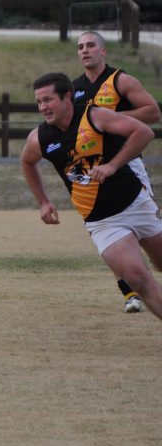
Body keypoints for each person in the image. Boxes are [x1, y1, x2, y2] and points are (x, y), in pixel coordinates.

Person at [20, 72, 162, 320]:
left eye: (47, 100)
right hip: (102, 221)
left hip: (136, 204)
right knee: (138, 278)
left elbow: (144, 133)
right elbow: (27, 162)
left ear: (67, 97)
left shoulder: (94, 116)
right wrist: (43, 201)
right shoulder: (40, 138)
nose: (42, 107)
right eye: (39, 102)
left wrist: (113, 165)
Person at [72, 30, 161, 313]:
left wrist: (110, 119)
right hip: (92, 167)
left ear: (103, 51)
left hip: (126, 162)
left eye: (90, 45)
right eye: (80, 47)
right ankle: (129, 291)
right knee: (105, 226)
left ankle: (144, 282)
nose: (85, 50)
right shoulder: (72, 90)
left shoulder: (121, 81)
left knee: (143, 224)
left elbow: (152, 112)